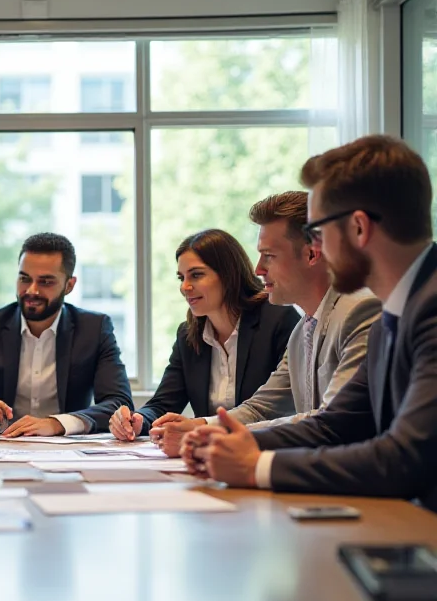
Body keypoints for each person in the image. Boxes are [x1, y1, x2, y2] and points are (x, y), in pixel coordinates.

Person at [181, 135, 437, 512]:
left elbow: (403, 456)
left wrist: (256, 466)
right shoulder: (392, 318)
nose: (316, 250)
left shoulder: (426, 311)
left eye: (317, 232)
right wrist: (230, 443)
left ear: (359, 228)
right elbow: (335, 424)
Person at [151, 193, 380, 456]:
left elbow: (333, 420)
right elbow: (261, 408)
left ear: (311, 253)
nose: (258, 269)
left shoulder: (359, 310)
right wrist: (202, 426)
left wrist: (215, 436)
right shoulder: (302, 332)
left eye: (268, 256)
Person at [0, 232, 133, 436]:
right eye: (24, 279)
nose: (32, 291)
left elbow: (119, 404)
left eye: (45, 282)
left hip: (64, 451)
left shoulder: (94, 329)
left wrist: (57, 424)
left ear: (69, 285)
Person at [109, 228, 300, 442]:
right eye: (181, 277)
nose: (185, 287)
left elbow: (275, 409)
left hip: (266, 448)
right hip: (207, 455)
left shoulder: (278, 320)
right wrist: (137, 420)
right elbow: (163, 404)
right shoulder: (188, 335)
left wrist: (198, 427)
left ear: (229, 274)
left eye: (196, 275)